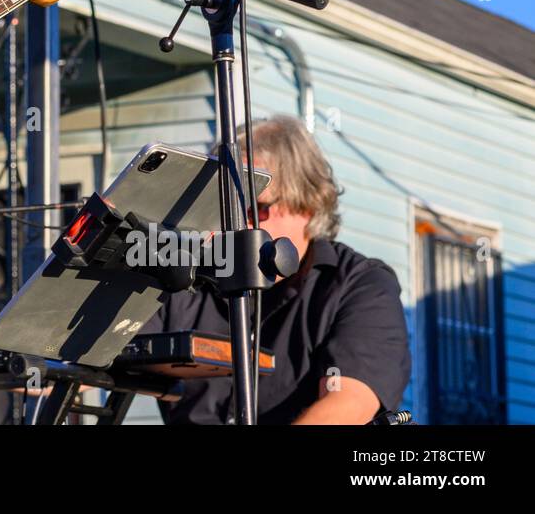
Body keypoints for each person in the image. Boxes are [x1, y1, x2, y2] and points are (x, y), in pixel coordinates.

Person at [146, 116, 411, 424]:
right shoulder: (187, 277)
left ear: (307, 202)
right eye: (224, 207)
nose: (234, 223)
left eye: (253, 207)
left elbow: (348, 404)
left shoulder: (360, 285)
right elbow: (93, 361)